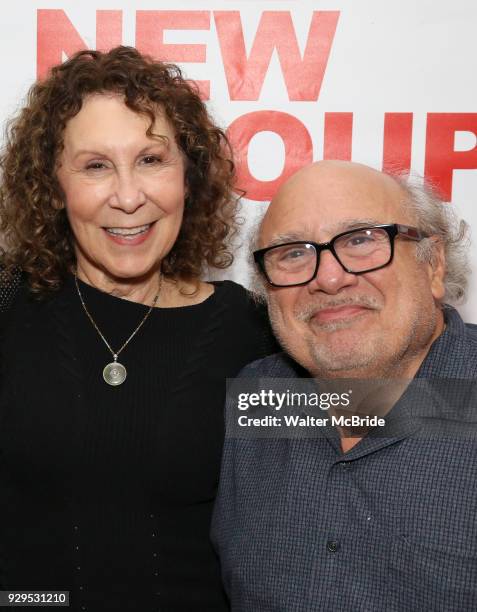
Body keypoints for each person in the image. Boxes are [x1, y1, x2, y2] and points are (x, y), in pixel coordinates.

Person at [0, 46, 277, 611]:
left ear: (189, 177)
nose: (129, 197)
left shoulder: (255, 331)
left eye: (152, 160)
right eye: (95, 166)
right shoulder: (8, 306)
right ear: (53, 186)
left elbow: (386, 427)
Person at [212, 161, 477, 611]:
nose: (329, 278)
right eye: (293, 253)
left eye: (361, 240)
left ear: (432, 264)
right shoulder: (258, 396)